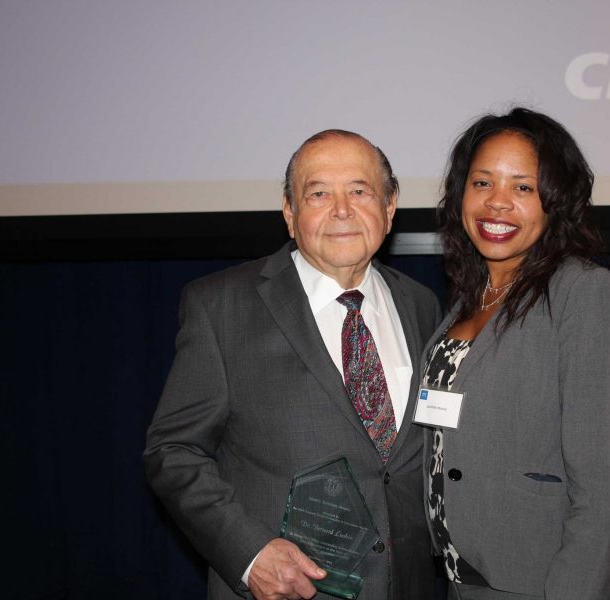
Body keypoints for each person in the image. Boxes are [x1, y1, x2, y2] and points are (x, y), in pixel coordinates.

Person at [144, 129, 442, 600]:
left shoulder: (422, 305)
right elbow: (173, 451)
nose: (342, 209)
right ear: (289, 212)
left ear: (389, 208)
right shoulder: (221, 306)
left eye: (359, 191)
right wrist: (248, 554)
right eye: (319, 193)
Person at [417, 107, 610, 599]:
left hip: (543, 585)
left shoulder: (584, 294)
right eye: (482, 183)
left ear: (555, 202)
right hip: (465, 581)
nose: (497, 203)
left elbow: (603, 501)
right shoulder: (466, 300)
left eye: (522, 187)